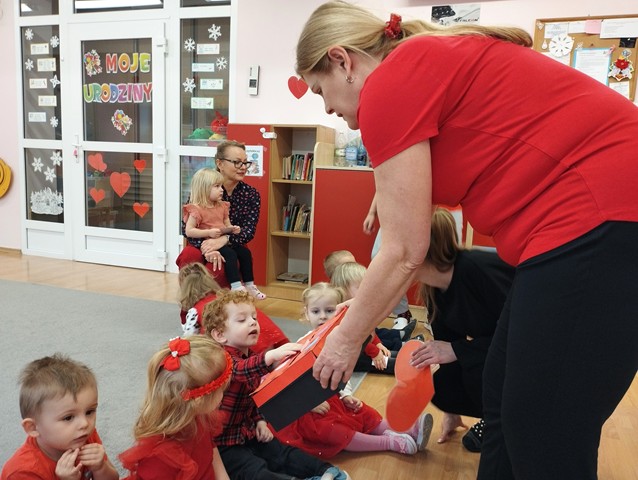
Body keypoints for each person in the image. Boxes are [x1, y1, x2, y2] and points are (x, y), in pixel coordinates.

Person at [296, 3, 638, 479]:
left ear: (342, 60)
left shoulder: (390, 83)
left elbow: (404, 251)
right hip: (593, 218)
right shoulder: (420, 64)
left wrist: (346, 340)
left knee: (545, 427)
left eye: (320, 90)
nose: (327, 108)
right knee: (504, 392)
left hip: (599, 214)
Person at [201, 290, 350, 480]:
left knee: (281, 452)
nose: (253, 322)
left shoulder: (250, 357)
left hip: (247, 432)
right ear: (220, 335)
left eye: (254, 317)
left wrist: (259, 421)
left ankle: (325, 471)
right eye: (242, 320)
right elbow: (238, 370)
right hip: (223, 444)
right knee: (254, 470)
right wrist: (269, 357)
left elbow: (252, 398)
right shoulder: (221, 359)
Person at [274, 282, 433, 458]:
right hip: (309, 408)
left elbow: (343, 373)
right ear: (306, 313)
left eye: (329, 310)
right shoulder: (302, 345)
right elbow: (290, 383)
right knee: (333, 431)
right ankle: (388, 442)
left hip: (334, 398)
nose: (323, 316)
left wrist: (346, 395)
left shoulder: (339, 341)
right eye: (316, 311)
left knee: (364, 412)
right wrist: (308, 403)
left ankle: (408, 430)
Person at [411, 208, 515, 453]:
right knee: (443, 384)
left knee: (475, 364)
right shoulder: (433, 288)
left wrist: (458, 350)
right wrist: (451, 411)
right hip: (498, 343)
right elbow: (445, 345)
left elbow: (521, 335)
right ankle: (495, 416)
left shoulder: (475, 269)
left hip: (535, 347)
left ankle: (505, 421)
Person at [119, 336, 232, 479]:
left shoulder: (200, 415)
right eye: (221, 390)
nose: (223, 394)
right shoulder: (159, 458)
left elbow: (212, 453)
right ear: (199, 401)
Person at [1, 354, 118, 480]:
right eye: (68, 417)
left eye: (89, 412)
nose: (85, 423)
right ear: (33, 427)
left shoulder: (84, 436)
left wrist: (100, 468)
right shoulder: (22, 472)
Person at [176, 140, 261, 289]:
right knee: (188, 257)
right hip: (201, 242)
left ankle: (219, 303)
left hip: (233, 245)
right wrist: (208, 248)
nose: (243, 167)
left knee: (218, 269)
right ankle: (190, 302)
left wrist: (224, 240)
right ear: (220, 163)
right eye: (237, 162)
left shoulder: (251, 194)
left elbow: (248, 231)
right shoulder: (202, 189)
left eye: (245, 163)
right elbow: (186, 228)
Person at [183, 167, 265, 300]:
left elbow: (227, 224)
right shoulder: (196, 209)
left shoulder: (222, 206)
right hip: (209, 242)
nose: (221, 190)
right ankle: (236, 285)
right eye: (217, 186)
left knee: (245, 253)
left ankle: (250, 284)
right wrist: (208, 233)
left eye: (221, 186)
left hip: (223, 240)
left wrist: (233, 229)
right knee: (231, 255)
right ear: (204, 189)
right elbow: (189, 230)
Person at [177, 262, 288, 352]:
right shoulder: (229, 299)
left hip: (249, 347)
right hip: (270, 337)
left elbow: (189, 340)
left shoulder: (195, 311)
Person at [332, 261, 414, 370]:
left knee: (387, 353)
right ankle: (400, 364)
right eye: (361, 287)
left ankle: (399, 355)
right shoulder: (346, 315)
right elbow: (358, 341)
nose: (366, 291)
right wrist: (375, 352)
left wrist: (378, 344)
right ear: (344, 291)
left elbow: (368, 333)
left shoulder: (358, 309)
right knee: (381, 361)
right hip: (351, 356)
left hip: (363, 348)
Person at [363, 193, 413, 323]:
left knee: (430, 264)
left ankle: (434, 313)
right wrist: (372, 213)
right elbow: (381, 188)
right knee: (381, 261)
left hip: (417, 217)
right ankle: (403, 312)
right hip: (391, 219)